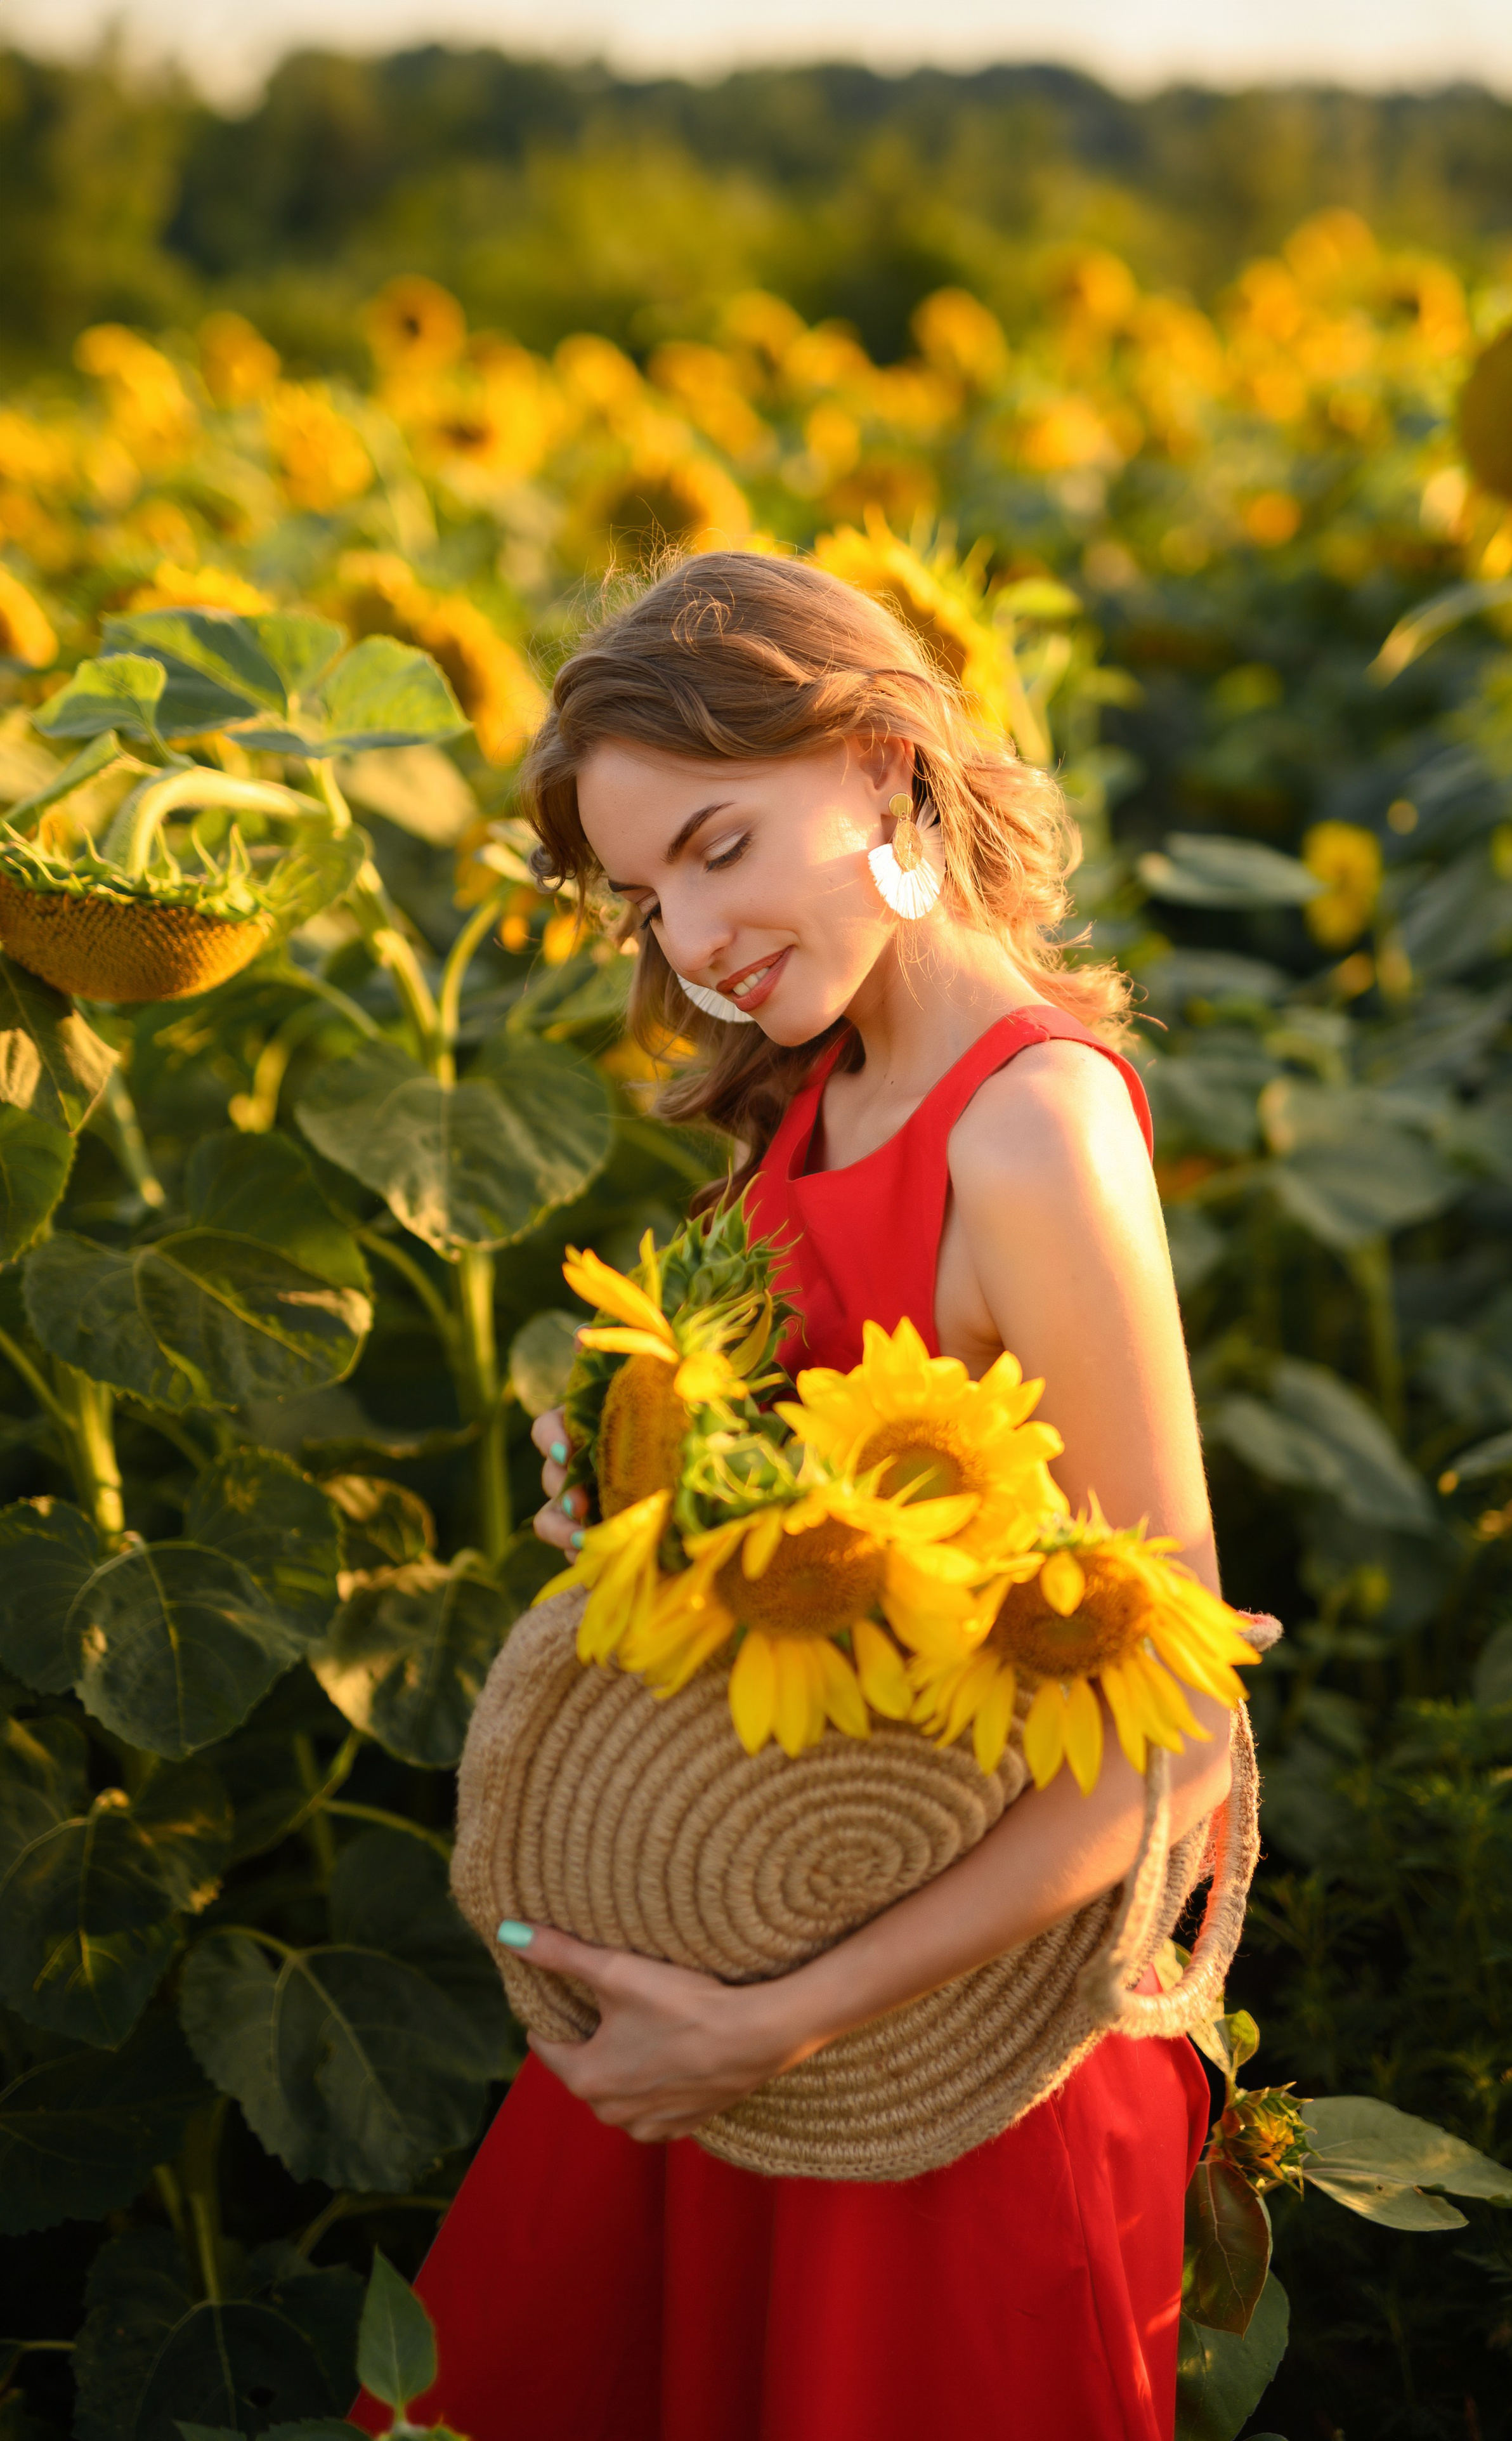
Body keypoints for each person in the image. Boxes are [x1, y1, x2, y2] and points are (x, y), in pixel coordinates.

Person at [355, 552, 1229, 2441]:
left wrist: (775, 2026)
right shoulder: (821, 1085)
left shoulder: (1030, 1126)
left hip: (941, 2050)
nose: (691, 938)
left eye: (722, 845)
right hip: (758, 1943)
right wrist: (660, 1517)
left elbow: (1180, 1735)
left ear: (886, 759)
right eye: (651, 893)